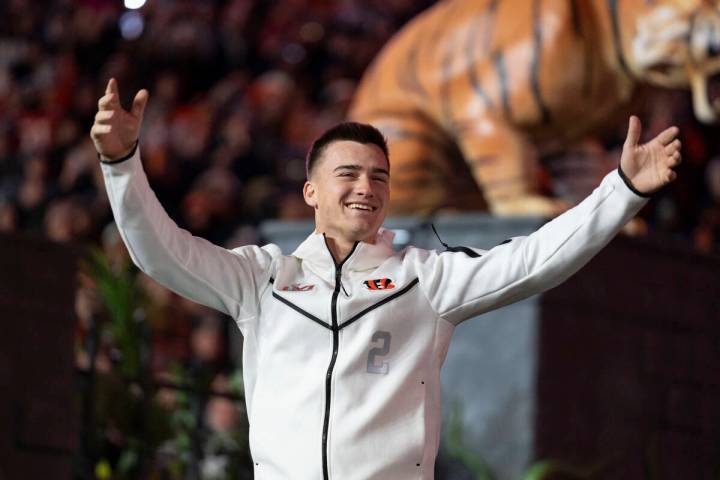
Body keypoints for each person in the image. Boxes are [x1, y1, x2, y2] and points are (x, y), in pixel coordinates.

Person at [91, 78, 682, 480]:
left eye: (379, 176)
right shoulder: (262, 278)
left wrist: (620, 191)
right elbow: (160, 253)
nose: (366, 188)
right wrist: (121, 165)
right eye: (348, 173)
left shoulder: (426, 280)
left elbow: (533, 260)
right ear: (311, 193)